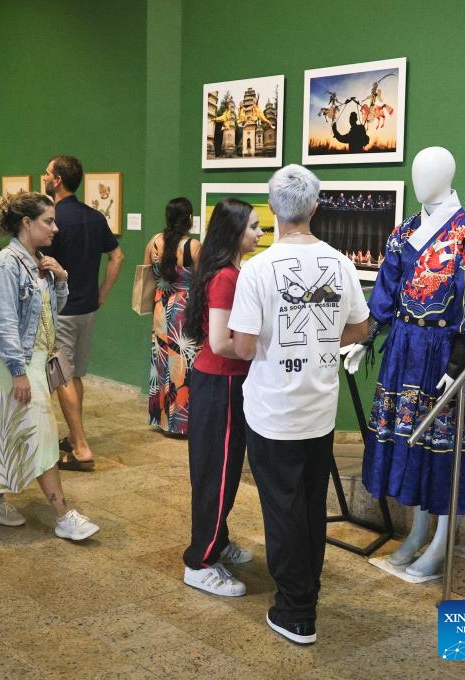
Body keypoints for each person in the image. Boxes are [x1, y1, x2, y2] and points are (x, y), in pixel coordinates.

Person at [229, 164, 369, 645]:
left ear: (272, 209)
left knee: (282, 510)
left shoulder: (257, 269)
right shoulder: (341, 263)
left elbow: (244, 347)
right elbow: (360, 328)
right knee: (310, 506)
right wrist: (323, 340)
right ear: (314, 206)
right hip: (320, 409)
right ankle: (308, 590)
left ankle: (296, 610)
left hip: (272, 411)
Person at [345, 146, 465, 577]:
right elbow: (386, 292)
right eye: (415, 171)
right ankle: (416, 533)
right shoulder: (403, 232)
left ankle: (440, 544)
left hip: (445, 351)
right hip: (404, 349)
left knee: (444, 446)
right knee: (409, 439)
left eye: (428, 171)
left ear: (448, 175)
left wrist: (460, 361)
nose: (419, 179)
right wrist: (366, 339)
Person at [0, 191, 99, 541]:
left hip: (33, 361)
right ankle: (63, 514)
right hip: (12, 364)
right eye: (48, 221)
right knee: (41, 434)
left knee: (6, 435)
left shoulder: (39, 260)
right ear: (26, 223)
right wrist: (17, 372)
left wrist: (61, 279)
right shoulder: (5, 265)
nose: (55, 228)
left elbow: (51, 310)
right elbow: (3, 324)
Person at [180, 198, 262, 597]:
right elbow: (220, 341)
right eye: (254, 228)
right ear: (234, 232)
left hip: (218, 383)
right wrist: (258, 348)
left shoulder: (222, 270)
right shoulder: (227, 276)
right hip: (222, 384)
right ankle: (200, 561)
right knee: (218, 474)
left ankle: (217, 539)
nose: (260, 234)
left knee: (218, 471)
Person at [41, 155, 124, 470]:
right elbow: (117, 256)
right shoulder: (94, 216)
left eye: (47, 173)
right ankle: (74, 436)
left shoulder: (53, 219)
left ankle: (81, 447)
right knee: (73, 375)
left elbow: (41, 266)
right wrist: (102, 294)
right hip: (87, 309)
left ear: (58, 180)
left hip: (61, 310)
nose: (43, 176)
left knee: (60, 376)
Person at [143, 197, 200, 435]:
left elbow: (146, 276)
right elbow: (201, 281)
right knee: (183, 365)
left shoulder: (154, 243)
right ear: (189, 219)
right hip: (184, 309)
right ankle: (180, 423)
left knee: (161, 363)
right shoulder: (193, 247)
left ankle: (161, 419)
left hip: (160, 308)